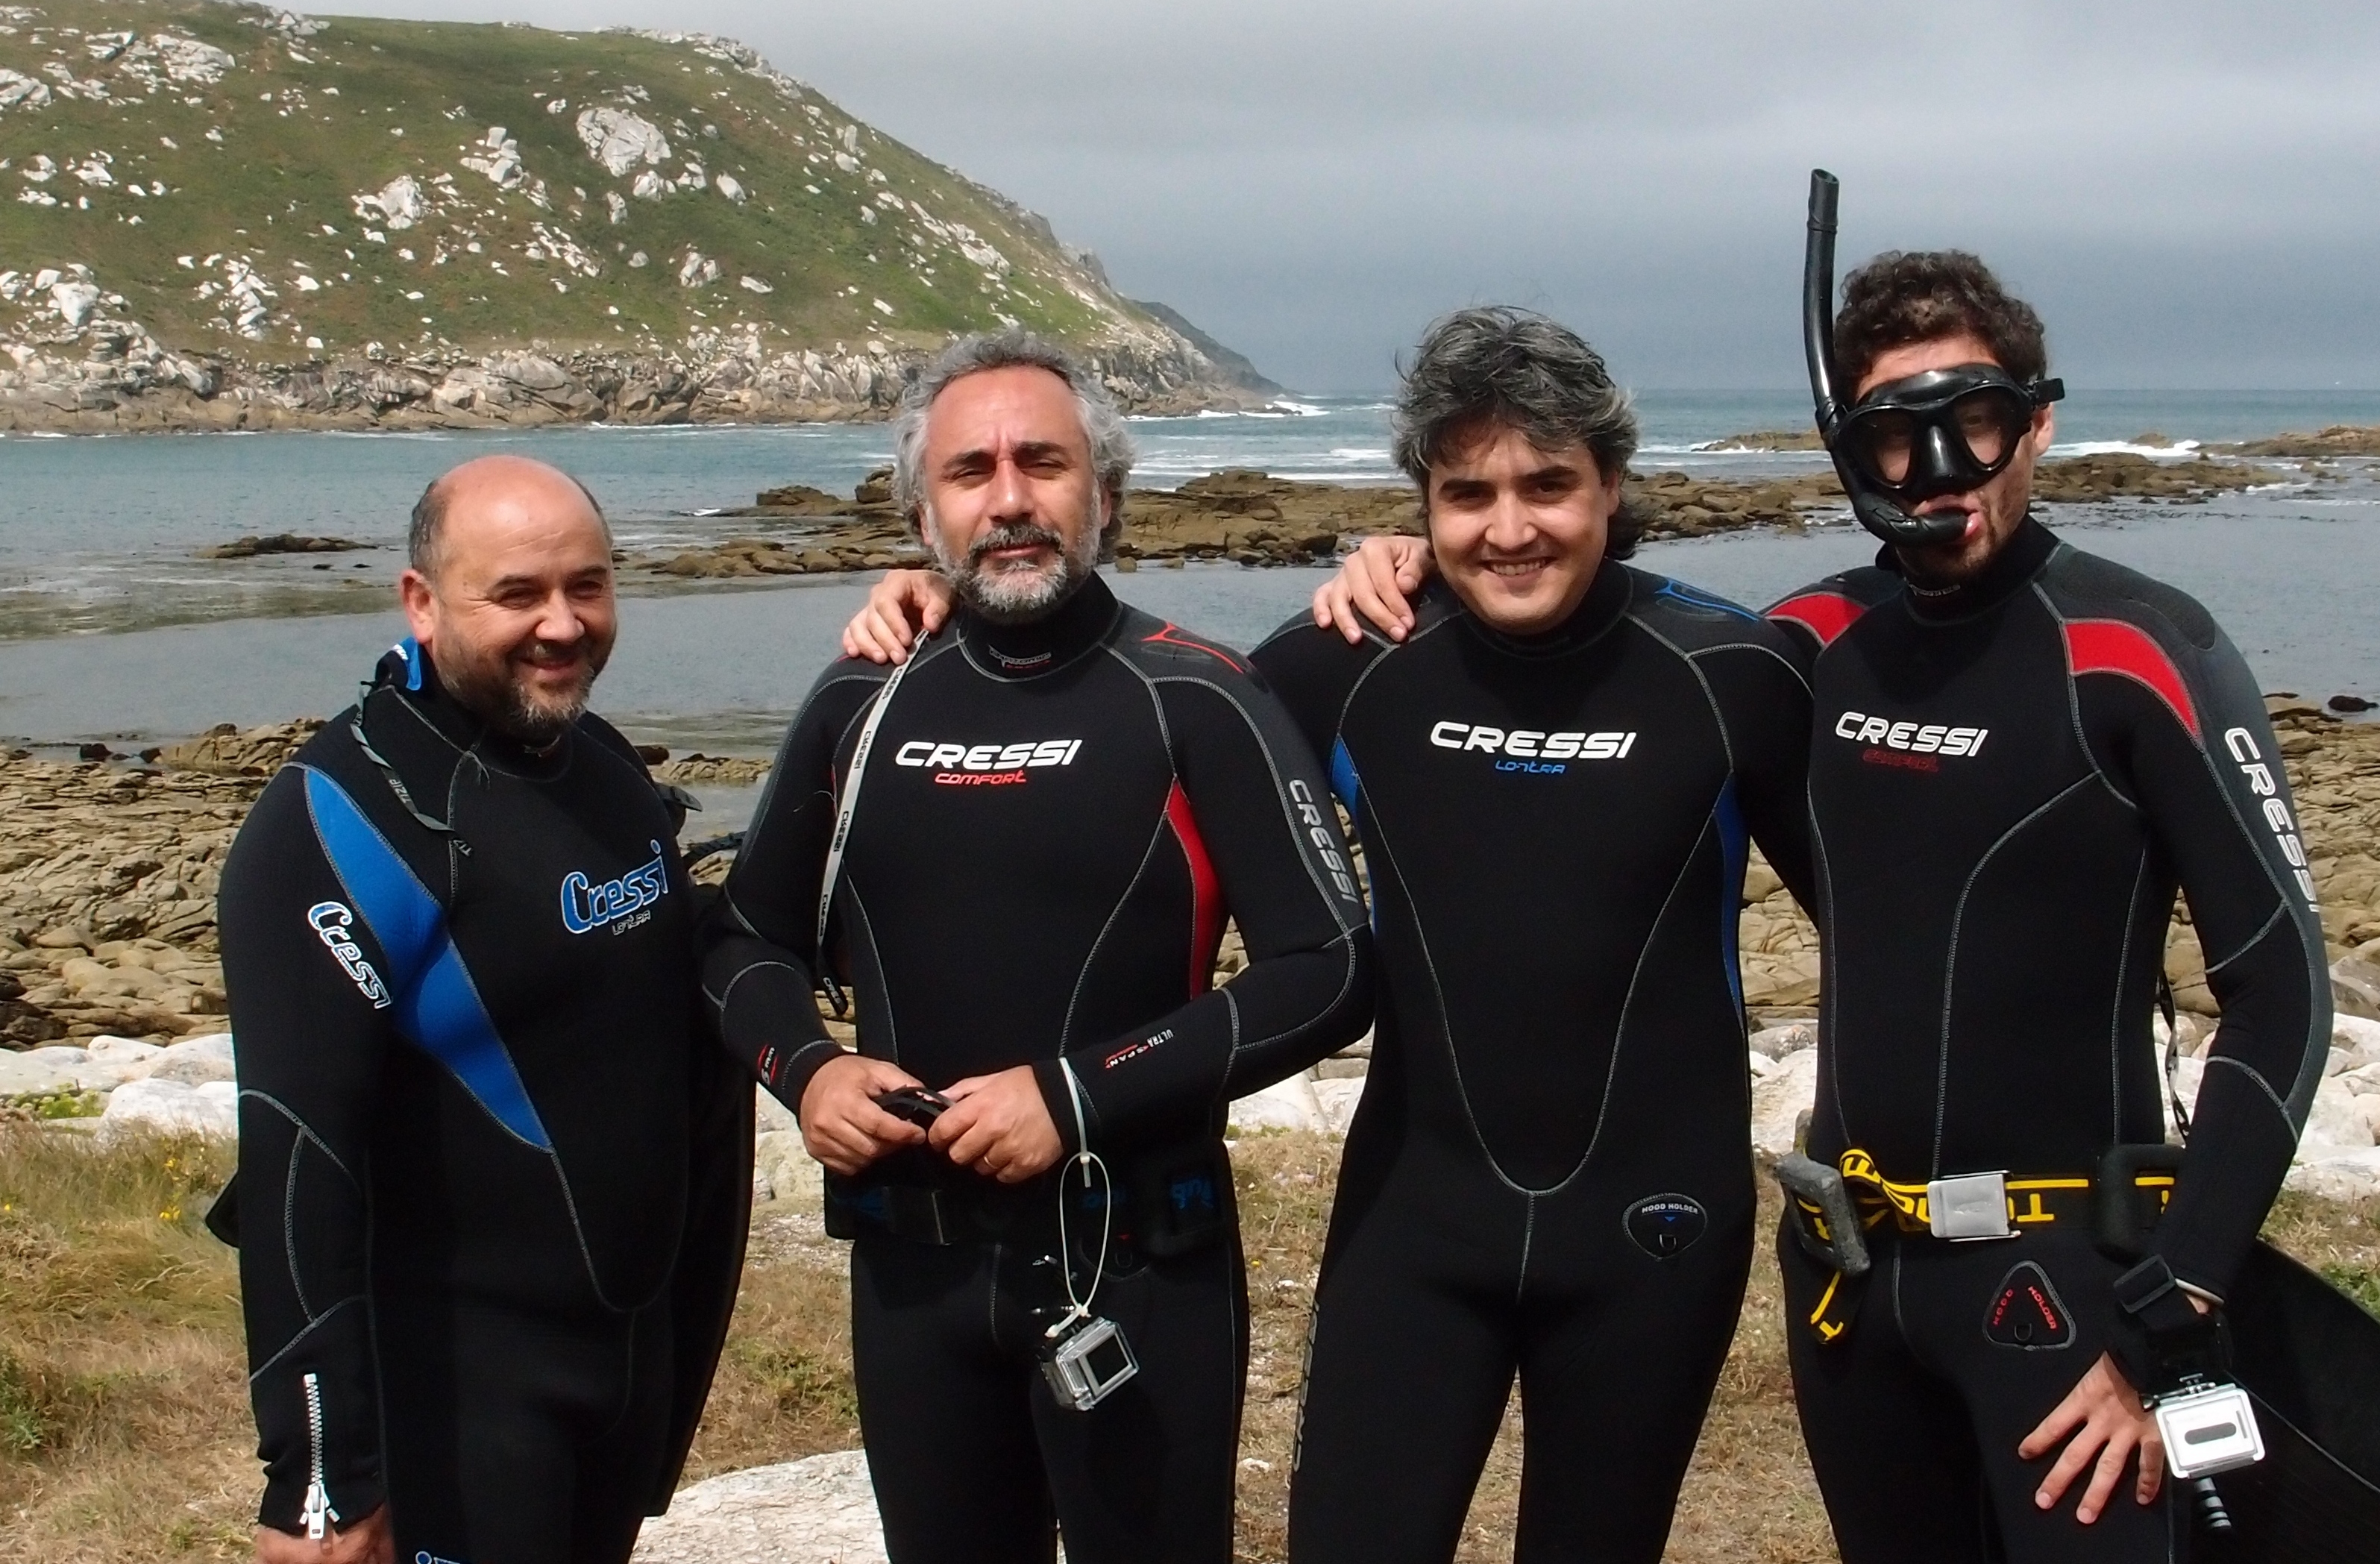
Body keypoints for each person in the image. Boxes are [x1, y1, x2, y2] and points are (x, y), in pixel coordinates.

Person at [1315, 241, 2329, 1562]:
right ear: (1851, 450)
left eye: (1974, 421)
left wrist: (2176, 1299)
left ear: (2036, 420)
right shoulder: (1799, 648)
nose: (1940, 473)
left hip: (2079, 1289)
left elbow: (2283, 985)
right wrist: (1406, 557)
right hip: (1851, 1280)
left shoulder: (2139, 652)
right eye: (1894, 438)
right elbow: (1615, 649)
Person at [838, 307, 1819, 1563]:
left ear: (1611, 485)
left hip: (1653, 1234)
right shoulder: (1341, 664)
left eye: (1548, 485)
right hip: (1414, 1230)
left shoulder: (1733, 675)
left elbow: (1884, 909)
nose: (1508, 527)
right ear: (1421, 504)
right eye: (1466, 492)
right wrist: (946, 598)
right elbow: (1119, 695)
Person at [701, 330, 1374, 1564]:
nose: (1008, 497)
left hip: (1136, 1265)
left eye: (1042, 462)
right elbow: (744, 938)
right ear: (922, 510)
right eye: (970, 471)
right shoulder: (862, 700)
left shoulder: (1198, 697)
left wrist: (1073, 1097)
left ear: (1104, 493)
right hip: (914, 1276)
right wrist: (806, 1068)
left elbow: (1328, 965)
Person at [219, 455, 752, 1564]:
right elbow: (298, 1157)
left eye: (588, 586)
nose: (562, 625)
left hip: (624, 1368)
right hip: (457, 1399)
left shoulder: (600, 768)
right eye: (515, 593)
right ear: (421, 601)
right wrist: (320, 1476)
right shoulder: (340, 820)